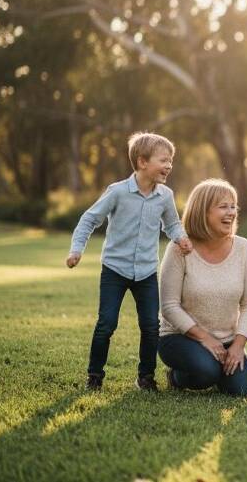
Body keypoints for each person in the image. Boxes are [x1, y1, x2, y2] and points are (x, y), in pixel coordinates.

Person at [67, 131, 192, 392]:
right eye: (164, 160)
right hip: (115, 269)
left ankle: (145, 377)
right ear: (142, 161)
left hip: (146, 271)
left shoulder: (166, 196)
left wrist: (181, 238)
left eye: (171, 161)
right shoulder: (118, 192)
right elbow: (89, 219)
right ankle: (95, 376)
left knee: (150, 327)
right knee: (106, 324)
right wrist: (76, 250)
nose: (169, 165)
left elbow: (172, 224)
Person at [158, 179, 247, 397]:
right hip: (180, 337)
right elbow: (169, 306)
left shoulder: (244, 248)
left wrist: (238, 344)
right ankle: (175, 377)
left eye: (233, 206)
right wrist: (205, 338)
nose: (231, 212)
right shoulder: (179, 249)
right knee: (206, 372)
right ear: (202, 212)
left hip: (227, 340)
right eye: (223, 206)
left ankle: (220, 369)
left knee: (244, 391)